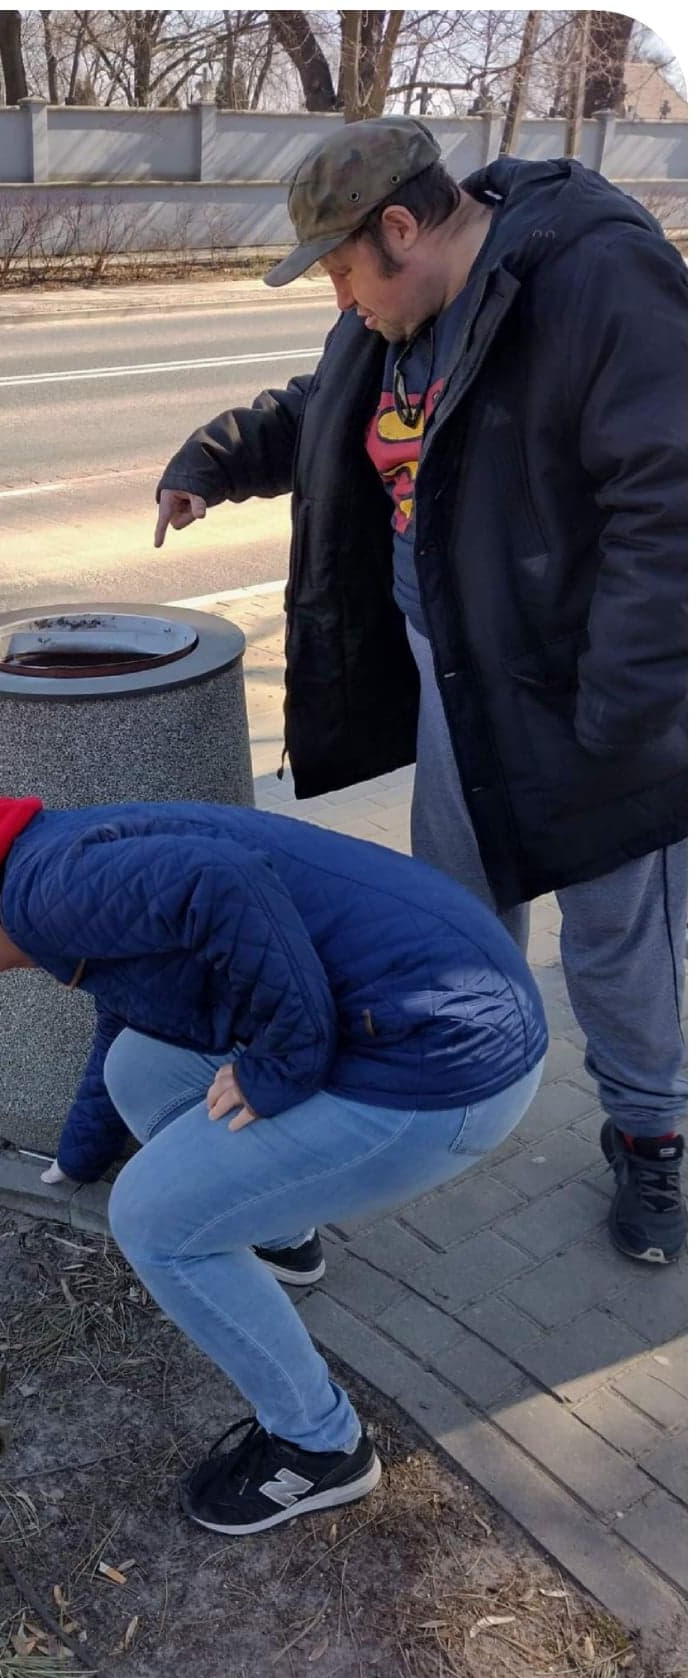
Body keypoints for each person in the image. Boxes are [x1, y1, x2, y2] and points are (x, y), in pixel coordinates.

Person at [154, 118, 687, 1265]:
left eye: (345, 271)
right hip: (461, 676)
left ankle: (649, 1137)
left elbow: (668, 499)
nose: (341, 300)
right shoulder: (397, 317)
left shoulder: (594, 275)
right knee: (453, 911)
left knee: (615, 939)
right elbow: (323, 407)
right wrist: (217, 456)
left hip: (586, 694)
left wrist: (629, 714)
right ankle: (453, 1091)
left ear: (401, 228)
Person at [0, 794, 547, 1534]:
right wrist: (80, 1152)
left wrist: (279, 1069)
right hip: (443, 1002)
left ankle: (320, 1446)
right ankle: (280, 1234)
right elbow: (134, 1009)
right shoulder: (58, 855)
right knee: (143, 1067)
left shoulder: (46, 899)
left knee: (152, 1221)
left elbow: (224, 882)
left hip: (445, 1066)